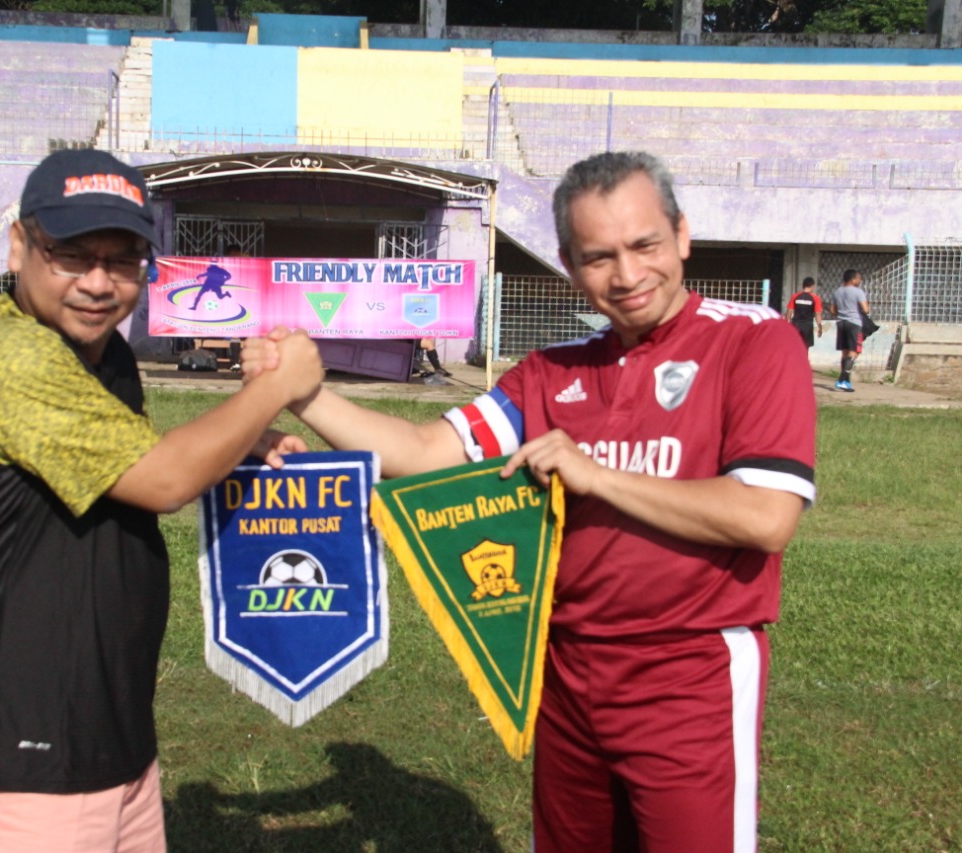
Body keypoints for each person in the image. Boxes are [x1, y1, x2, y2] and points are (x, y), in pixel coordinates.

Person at [246, 151, 816, 853]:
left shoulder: (754, 341)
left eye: (645, 245)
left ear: (683, 235)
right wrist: (303, 394)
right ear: (570, 266)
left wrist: (597, 475)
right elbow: (425, 452)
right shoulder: (551, 372)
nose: (629, 275)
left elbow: (765, 516)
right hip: (564, 674)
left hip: (690, 672)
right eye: (599, 256)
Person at [0, 149, 321, 853]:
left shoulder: (103, 355)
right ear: (21, 245)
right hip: (24, 749)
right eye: (72, 255)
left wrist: (242, 441)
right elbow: (164, 480)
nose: (100, 283)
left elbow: (124, 456)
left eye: (125, 258)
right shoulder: (8, 351)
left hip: (109, 731)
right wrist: (275, 387)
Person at [830, 268, 869, 392]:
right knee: (854, 351)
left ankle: (846, 382)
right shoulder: (858, 292)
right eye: (858, 278)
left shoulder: (837, 292)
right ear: (853, 279)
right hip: (854, 323)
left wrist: (842, 313)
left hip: (841, 323)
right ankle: (842, 379)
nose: (860, 280)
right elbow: (865, 309)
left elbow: (832, 310)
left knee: (845, 352)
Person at [785, 276, 823, 349]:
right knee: (805, 347)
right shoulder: (815, 298)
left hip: (796, 325)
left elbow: (789, 312)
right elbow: (817, 314)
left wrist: (787, 325)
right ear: (812, 286)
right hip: (807, 326)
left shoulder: (795, 296)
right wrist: (820, 327)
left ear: (803, 285)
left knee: (795, 346)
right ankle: (803, 360)